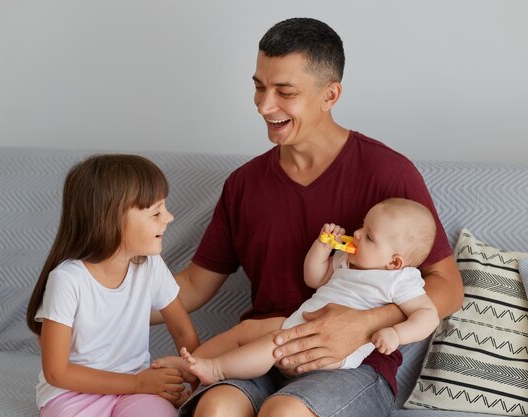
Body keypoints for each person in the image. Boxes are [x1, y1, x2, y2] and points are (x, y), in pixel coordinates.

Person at [157, 17, 464, 417]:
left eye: (284, 92)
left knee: (284, 413)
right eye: (259, 86)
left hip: (351, 364)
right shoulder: (244, 184)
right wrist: (100, 299)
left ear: (330, 94)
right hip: (263, 351)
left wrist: (366, 323)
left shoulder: (389, 174)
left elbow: (448, 286)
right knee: (215, 407)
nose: (265, 106)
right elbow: (195, 283)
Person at [155, 198, 440, 386]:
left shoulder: (400, 280)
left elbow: (428, 315)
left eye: (369, 236)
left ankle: (216, 369)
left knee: (272, 343)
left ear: (394, 261)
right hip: (300, 323)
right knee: (246, 329)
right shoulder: (346, 260)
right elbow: (314, 278)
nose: (357, 234)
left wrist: (397, 334)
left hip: (329, 351)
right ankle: (191, 365)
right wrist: (322, 247)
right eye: (362, 226)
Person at [25, 154, 200, 417]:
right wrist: (137, 383)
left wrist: (197, 382)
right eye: (156, 211)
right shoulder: (68, 280)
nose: (169, 217)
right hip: (73, 394)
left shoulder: (150, 266)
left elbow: (182, 332)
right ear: (112, 219)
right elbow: (56, 372)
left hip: (137, 391)